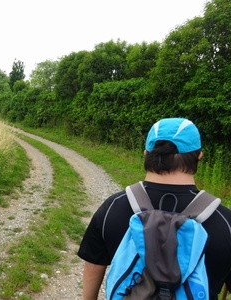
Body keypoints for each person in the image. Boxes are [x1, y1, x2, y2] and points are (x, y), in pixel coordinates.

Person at [77, 118, 231, 300]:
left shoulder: (113, 207)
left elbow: (93, 267)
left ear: (145, 154)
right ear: (199, 156)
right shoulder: (224, 221)